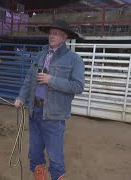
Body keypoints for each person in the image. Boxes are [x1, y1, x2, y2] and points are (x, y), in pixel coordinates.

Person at [14, 19, 85, 180]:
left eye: (57, 34)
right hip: (35, 110)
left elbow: (78, 86)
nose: (52, 36)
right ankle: (39, 176)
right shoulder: (40, 55)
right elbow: (29, 79)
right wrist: (21, 97)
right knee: (35, 152)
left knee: (55, 157)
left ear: (65, 37)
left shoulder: (74, 60)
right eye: (51, 33)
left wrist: (51, 80)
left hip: (54, 114)